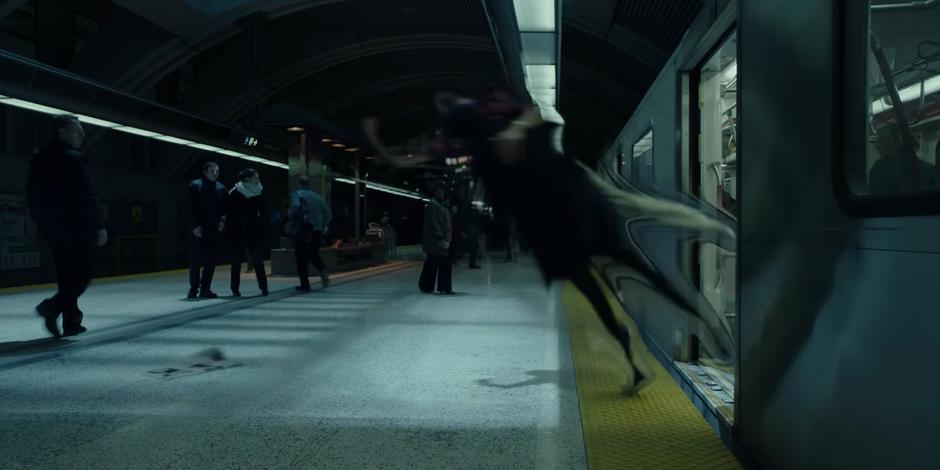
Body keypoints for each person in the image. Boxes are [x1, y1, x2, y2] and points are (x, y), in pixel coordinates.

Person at [26, 114, 108, 337]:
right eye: (77, 130)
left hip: (53, 230)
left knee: (66, 276)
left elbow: (31, 195)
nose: (82, 134)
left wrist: (43, 223)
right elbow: (85, 195)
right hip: (78, 229)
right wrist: (97, 226)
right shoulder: (72, 158)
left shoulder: (40, 158)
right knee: (83, 275)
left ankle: (72, 322)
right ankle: (51, 307)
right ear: (62, 131)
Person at [225, 168, 268, 297]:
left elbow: (263, 212)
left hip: (253, 230)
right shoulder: (235, 192)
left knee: (257, 261)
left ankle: (264, 287)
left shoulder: (259, 191)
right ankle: (235, 289)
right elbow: (229, 212)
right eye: (256, 177)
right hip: (236, 231)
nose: (258, 180)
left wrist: (259, 225)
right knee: (236, 262)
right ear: (247, 179)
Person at [188, 162, 226, 299]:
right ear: (205, 172)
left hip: (214, 229)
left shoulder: (221, 188)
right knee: (196, 261)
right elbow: (190, 208)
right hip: (199, 229)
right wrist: (194, 226)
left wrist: (222, 222)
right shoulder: (195, 186)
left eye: (217, 171)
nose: (215, 173)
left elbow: (224, 208)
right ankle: (193, 289)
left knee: (210, 261)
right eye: (212, 171)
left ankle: (205, 289)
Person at [868, 121, 939, 194]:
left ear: (895, 141)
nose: (877, 147)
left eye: (880, 141)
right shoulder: (930, 169)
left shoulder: (879, 169)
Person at [287, 175, 331, 291]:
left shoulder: (297, 194)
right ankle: (322, 270)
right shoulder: (318, 197)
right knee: (313, 254)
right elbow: (328, 214)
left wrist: (290, 215)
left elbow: (295, 206)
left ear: (299, 183)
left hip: (303, 230)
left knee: (301, 259)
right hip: (317, 231)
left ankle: (305, 285)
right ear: (309, 184)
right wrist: (322, 225)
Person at [419, 186, 453, 294]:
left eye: (442, 191)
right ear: (435, 192)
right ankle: (436, 287)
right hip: (436, 241)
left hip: (443, 240)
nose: (441, 193)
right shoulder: (433, 204)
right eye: (439, 191)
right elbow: (433, 222)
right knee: (435, 264)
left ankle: (429, 286)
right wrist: (440, 236)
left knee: (434, 264)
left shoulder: (442, 204)